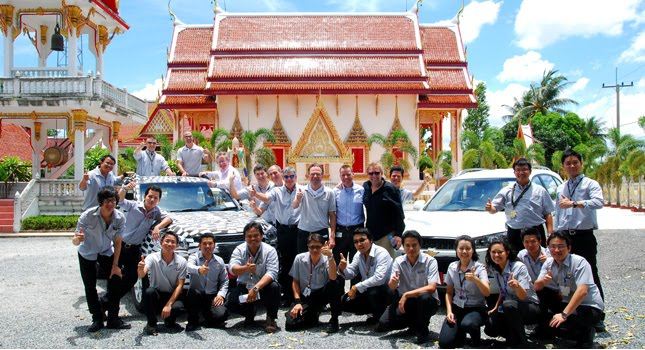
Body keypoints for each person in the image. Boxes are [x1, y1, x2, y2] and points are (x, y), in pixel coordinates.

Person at [110, 183, 172, 322]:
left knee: (133, 277)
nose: (152, 200)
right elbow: (119, 201)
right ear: (145, 197)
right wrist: (125, 188)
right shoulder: (133, 205)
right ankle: (112, 316)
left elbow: (169, 218)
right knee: (115, 278)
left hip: (135, 249)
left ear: (159, 200)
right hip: (121, 246)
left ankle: (106, 301)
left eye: (155, 198)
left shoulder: (156, 212)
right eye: (150, 196)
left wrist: (157, 226)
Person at [534, 231, 605, 348]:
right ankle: (561, 331)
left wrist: (563, 315)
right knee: (543, 291)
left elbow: (582, 291)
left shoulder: (579, 262)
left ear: (569, 248)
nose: (556, 250)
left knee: (573, 326)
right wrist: (543, 282)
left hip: (588, 306)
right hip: (567, 301)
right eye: (553, 246)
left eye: (561, 246)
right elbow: (536, 287)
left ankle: (586, 335)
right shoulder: (549, 262)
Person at [555, 149, 605, 307]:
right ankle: (566, 307)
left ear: (581, 164)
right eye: (568, 163)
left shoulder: (591, 184)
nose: (572, 166)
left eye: (575, 162)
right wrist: (556, 234)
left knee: (590, 273)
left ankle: (597, 310)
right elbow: (558, 212)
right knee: (564, 273)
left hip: (583, 236)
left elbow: (599, 202)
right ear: (563, 166)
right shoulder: (561, 188)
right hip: (565, 237)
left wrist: (575, 203)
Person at [72, 186, 126, 332]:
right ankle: (97, 318)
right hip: (87, 253)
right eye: (107, 201)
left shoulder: (120, 217)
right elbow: (76, 240)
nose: (111, 204)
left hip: (106, 250)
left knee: (115, 281)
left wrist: (115, 265)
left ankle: (113, 318)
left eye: (113, 201)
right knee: (90, 286)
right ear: (100, 202)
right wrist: (77, 239)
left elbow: (118, 242)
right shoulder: (87, 216)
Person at [378, 230, 440, 345]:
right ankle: (414, 324)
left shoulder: (430, 261)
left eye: (414, 245)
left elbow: (432, 288)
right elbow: (392, 287)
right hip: (407, 302)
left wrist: (407, 294)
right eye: (407, 245)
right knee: (383, 323)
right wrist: (394, 283)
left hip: (426, 301)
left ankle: (423, 330)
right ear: (403, 246)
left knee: (425, 298)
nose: (411, 248)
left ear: (420, 245)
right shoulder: (398, 261)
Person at [486, 158, 554, 254]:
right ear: (514, 172)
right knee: (515, 260)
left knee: (539, 259)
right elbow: (494, 209)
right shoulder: (507, 190)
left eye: (524, 170)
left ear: (530, 171)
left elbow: (548, 213)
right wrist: (490, 208)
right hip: (514, 232)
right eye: (518, 170)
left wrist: (550, 234)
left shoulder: (540, 190)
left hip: (535, 231)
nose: (521, 172)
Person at [484, 239, 541, 348]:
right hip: (509, 306)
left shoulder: (518, 267)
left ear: (507, 252)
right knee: (490, 327)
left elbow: (523, 296)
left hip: (529, 306)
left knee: (509, 305)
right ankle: (512, 336)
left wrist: (517, 286)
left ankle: (522, 343)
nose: (496, 255)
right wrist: (495, 308)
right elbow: (503, 290)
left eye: (500, 252)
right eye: (493, 252)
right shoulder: (495, 268)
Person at [226, 221, 281, 333]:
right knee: (230, 302)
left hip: (263, 287)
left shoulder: (270, 250)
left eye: (256, 235)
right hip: (244, 286)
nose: (253, 239)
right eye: (249, 236)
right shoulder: (239, 249)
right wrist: (245, 268)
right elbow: (232, 268)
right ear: (245, 238)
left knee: (275, 287)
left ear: (261, 236)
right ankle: (249, 313)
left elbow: (272, 273)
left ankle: (271, 318)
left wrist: (256, 288)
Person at [439, 235, 490, 348]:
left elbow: (487, 292)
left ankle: (477, 343)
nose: (464, 251)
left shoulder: (480, 268)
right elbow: (448, 292)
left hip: (476, 308)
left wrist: (475, 279)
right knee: (444, 343)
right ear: (456, 250)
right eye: (461, 248)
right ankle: (460, 333)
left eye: (468, 248)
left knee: (469, 324)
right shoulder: (452, 267)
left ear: (473, 250)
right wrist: (449, 312)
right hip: (458, 307)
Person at [285, 234, 342, 333]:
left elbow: (333, 277)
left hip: (321, 295)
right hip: (305, 296)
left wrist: (330, 256)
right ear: (308, 247)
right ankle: (312, 315)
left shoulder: (327, 259)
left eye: (318, 247)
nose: (315, 250)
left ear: (323, 246)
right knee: (291, 325)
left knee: (335, 283)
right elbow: (295, 282)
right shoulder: (299, 258)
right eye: (312, 247)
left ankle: (334, 320)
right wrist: (297, 302)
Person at [338, 228, 393, 325]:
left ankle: (382, 315)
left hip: (386, 291)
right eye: (356, 242)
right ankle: (373, 311)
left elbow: (379, 279)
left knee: (373, 292)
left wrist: (356, 287)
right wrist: (342, 268)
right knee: (343, 301)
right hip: (368, 290)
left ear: (371, 240)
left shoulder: (381, 253)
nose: (359, 244)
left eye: (362, 240)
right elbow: (350, 274)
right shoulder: (358, 254)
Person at [138, 231, 187, 335]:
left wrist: (169, 305)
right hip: (157, 295)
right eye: (167, 241)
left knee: (179, 307)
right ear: (161, 242)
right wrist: (141, 269)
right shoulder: (152, 257)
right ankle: (151, 324)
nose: (169, 244)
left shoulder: (182, 261)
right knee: (148, 292)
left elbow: (180, 285)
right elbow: (142, 274)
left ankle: (170, 321)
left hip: (171, 295)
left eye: (173, 242)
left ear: (177, 245)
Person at [185, 232, 229, 332]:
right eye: (204, 243)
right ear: (199, 246)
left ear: (214, 245)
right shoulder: (194, 257)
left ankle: (206, 318)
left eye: (210, 243)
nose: (207, 246)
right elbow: (189, 267)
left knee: (222, 315)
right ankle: (193, 321)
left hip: (211, 295)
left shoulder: (219, 261)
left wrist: (221, 295)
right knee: (192, 293)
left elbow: (225, 281)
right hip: (197, 295)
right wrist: (199, 270)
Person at [363, 162, 405, 258]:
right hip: (370, 234)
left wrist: (398, 234)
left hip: (386, 235)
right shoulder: (366, 187)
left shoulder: (390, 189)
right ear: (367, 175)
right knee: (372, 264)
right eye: (371, 173)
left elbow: (399, 213)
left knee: (387, 264)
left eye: (377, 173)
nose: (374, 175)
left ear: (382, 174)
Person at [292, 163, 336, 253]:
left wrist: (332, 236)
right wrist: (298, 199)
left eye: (318, 174)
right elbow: (294, 206)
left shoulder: (329, 192)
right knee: (303, 260)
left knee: (322, 261)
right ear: (308, 175)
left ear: (322, 175)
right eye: (312, 174)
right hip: (304, 231)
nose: (315, 176)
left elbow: (332, 215)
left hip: (321, 231)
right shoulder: (302, 190)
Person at [332, 164, 364, 263]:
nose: (346, 177)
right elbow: (332, 213)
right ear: (340, 176)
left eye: (348, 174)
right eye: (343, 175)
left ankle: (357, 279)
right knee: (339, 260)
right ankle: (340, 279)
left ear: (353, 174)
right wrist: (332, 235)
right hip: (341, 231)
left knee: (357, 261)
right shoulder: (335, 191)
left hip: (357, 230)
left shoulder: (361, 190)